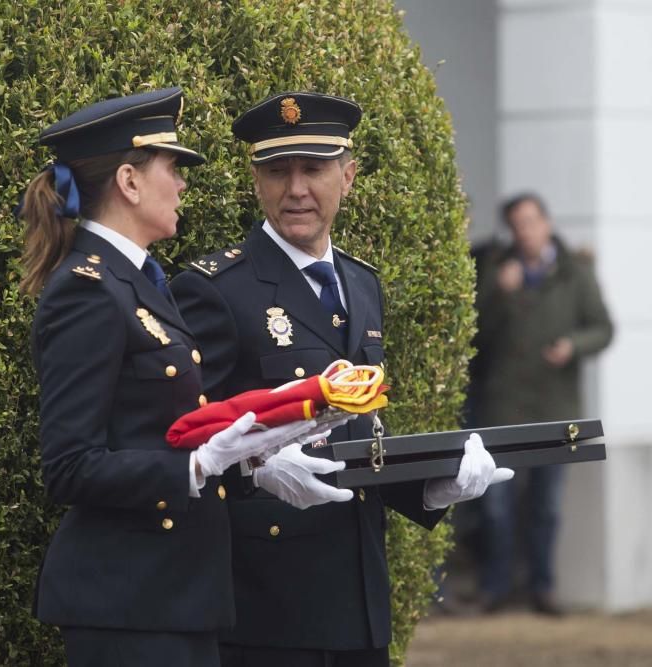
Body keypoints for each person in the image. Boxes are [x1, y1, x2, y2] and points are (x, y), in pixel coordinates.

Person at [170, 91, 512, 667]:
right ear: (256, 182)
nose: (296, 188)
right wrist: (257, 468)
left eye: (314, 169)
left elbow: (359, 436)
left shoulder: (361, 285)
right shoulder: (216, 288)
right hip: (265, 610)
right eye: (278, 170)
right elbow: (180, 439)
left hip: (357, 601)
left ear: (348, 177)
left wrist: (433, 488)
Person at [20, 87, 326, 666]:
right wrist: (194, 466)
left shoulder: (136, 281)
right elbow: (68, 467)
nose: (183, 183)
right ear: (130, 182)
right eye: (173, 167)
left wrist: (252, 459)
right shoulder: (88, 291)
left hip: (172, 597)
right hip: (126, 602)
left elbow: (159, 426)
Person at [473, 193, 613, 614]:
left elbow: (603, 328)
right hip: (503, 407)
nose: (526, 232)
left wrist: (573, 345)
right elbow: (475, 335)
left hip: (556, 408)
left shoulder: (575, 272)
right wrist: (498, 292)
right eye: (517, 225)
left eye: (532, 221)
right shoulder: (497, 271)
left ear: (547, 223)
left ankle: (542, 586)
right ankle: (495, 587)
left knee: (546, 505)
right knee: (496, 506)